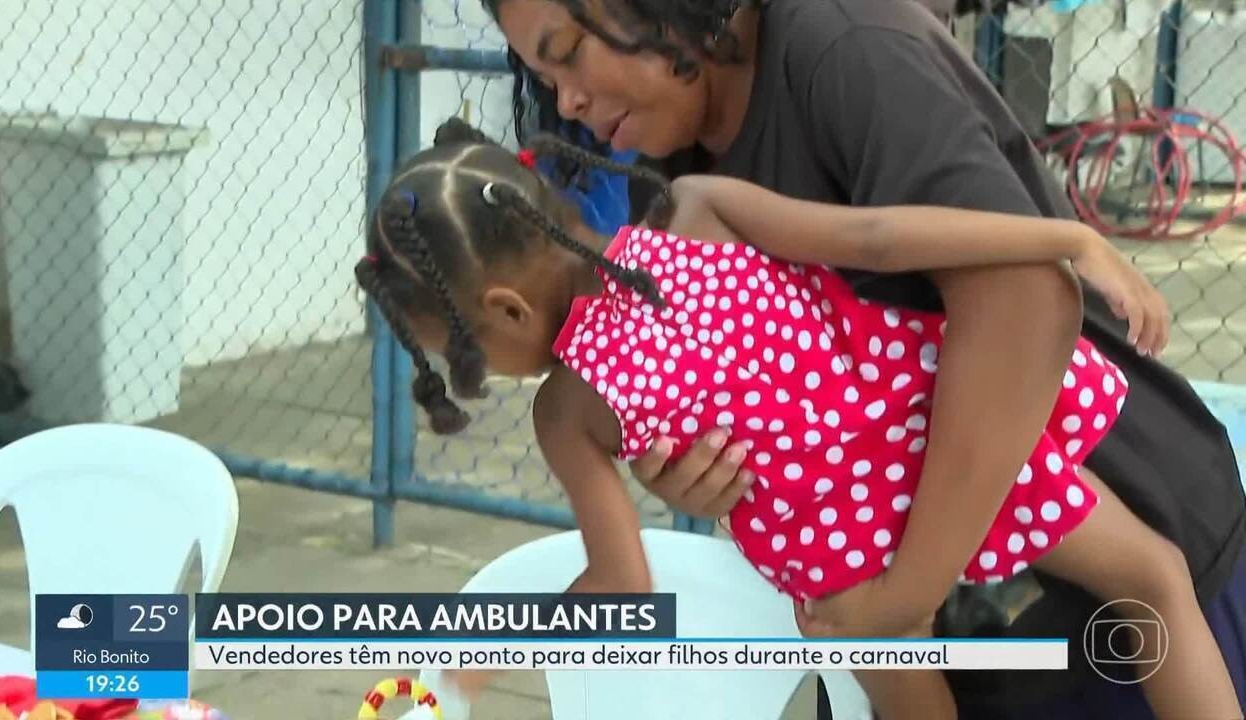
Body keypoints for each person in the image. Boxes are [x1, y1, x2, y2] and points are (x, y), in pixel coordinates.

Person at [483, 0, 1246, 718]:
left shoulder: (842, 50)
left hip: (1095, 573)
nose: (569, 103)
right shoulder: (681, 162)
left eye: (570, 54)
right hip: (926, 602)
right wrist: (709, 464)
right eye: (546, 83)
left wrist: (901, 595)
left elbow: (1025, 302)